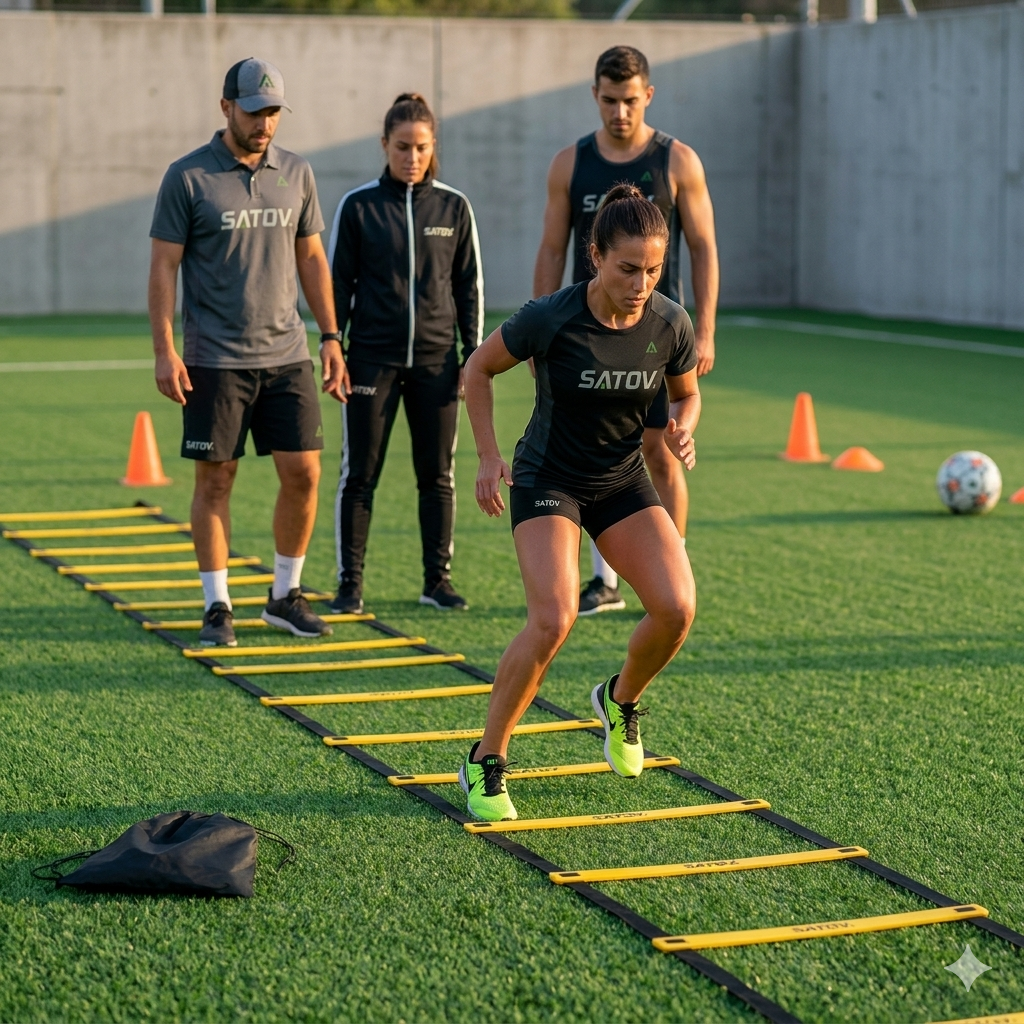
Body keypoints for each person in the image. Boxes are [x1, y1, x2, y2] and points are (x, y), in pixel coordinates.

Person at [460, 185, 700, 822]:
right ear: (595, 256)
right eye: (628, 268)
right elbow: (477, 369)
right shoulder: (550, 317)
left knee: (677, 608)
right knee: (554, 619)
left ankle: (620, 700)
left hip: (621, 480)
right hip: (549, 479)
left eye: (653, 270)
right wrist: (487, 456)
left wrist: (683, 426)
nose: (641, 284)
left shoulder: (670, 322)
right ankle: (486, 758)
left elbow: (686, 393)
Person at [148, 58, 348, 648]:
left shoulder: (297, 172)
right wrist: (164, 350)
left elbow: (311, 257)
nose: (265, 124)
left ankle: (285, 596)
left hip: (286, 354)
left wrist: (331, 336)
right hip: (213, 358)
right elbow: (163, 267)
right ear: (226, 107)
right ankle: (218, 605)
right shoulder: (187, 177)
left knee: (304, 473)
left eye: (274, 113)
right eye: (255, 112)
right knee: (216, 481)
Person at [533, 45, 719, 616]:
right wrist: (540, 328)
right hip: (585, 339)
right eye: (610, 100)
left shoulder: (678, 161)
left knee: (661, 451)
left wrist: (705, 329)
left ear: (648, 96)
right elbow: (552, 248)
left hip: (654, 338)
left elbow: (703, 246)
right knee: (594, 453)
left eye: (630, 101)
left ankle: (671, 567)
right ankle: (604, 582)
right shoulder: (570, 163)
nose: (620, 112)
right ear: (596, 95)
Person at [327, 93, 484, 614]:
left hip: (438, 363)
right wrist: (334, 345)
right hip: (371, 360)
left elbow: (469, 287)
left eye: (420, 147)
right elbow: (337, 284)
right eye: (401, 147)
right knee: (359, 475)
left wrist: (472, 357)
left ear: (433, 145)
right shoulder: (359, 206)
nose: (411, 158)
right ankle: (349, 584)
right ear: (384, 145)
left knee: (437, 475)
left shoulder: (454, 207)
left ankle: (437, 581)